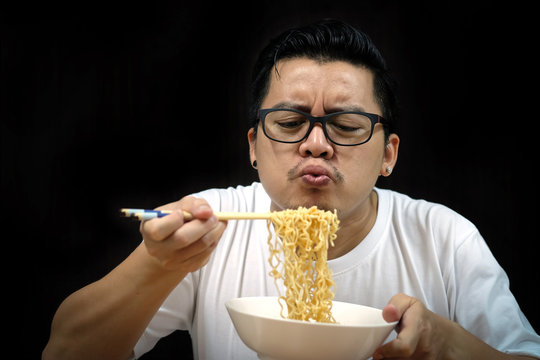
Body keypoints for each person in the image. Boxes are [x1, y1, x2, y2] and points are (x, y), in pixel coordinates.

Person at [43, 20, 540, 359]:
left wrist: (450, 345)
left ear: (389, 153)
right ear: (254, 146)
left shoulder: (445, 239)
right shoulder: (210, 226)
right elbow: (64, 351)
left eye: (346, 124)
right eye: (290, 122)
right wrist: (158, 265)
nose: (316, 144)